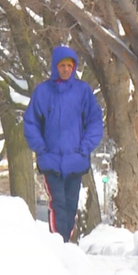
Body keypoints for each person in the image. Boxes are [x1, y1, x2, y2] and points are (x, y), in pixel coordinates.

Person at [24, 45, 104, 243]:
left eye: (69, 65)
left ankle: (66, 242)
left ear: (74, 67)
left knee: (70, 205)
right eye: (62, 65)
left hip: (75, 160)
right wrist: (41, 149)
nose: (66, 69)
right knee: (57, 203)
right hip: (51, 160)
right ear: (55, 66)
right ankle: (60, 244)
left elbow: (94, 121)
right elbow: (31, 122)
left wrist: (84, 149)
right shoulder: (43, 92)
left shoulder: (83, 91)